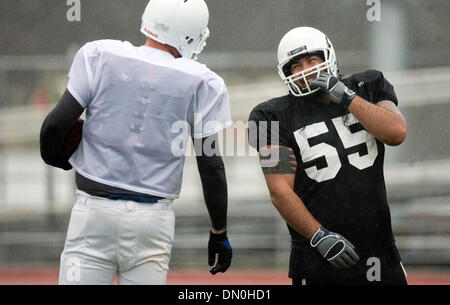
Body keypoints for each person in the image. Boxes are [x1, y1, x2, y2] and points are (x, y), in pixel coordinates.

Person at [40, 0, 232, 285]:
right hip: (152, 222)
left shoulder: (99, 55)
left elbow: (55, 125)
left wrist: (60, 160)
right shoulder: (203, 82)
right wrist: (219, 231)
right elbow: (211, 165)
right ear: (189, 34)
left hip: (93, 212)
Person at [248, 27, 408, 285]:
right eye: (296, 66)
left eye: (312, 60)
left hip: (380, 254)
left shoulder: (368, 85)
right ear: (286, 74)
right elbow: (279, 190)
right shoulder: (269, 117)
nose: (306, 70)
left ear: (328, 57)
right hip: (318, 258)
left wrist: (347, 97)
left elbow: (396, 133)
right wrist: (318, 236)